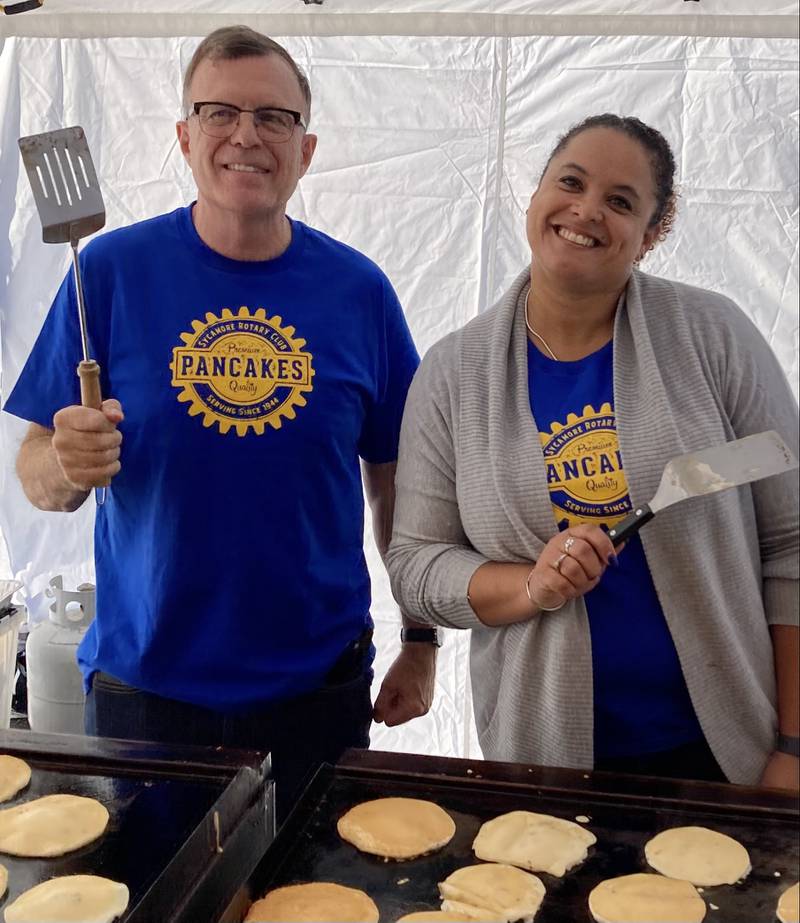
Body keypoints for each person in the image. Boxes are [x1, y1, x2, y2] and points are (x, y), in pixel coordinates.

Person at [6, 25, 438, 821]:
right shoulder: (105, 272)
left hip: (317, 690)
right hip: (148, 695)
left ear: (305, 150)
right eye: (219, 112)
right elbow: (35, 471)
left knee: (312, 904)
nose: (247, 134)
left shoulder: (358, 290)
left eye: (274, 118)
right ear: (184, 136)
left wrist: (421, 637)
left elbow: (399, 483)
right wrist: (67, 462)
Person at [386, 114, 799, 791]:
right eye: (570, 182)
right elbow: (417, 567)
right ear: (536, 193)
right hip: (543, 755)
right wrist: (530, 585)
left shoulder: (712, 335)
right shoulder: (453, 373)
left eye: (620, 201)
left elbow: (793, 541)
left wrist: (793, 743)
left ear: (652, 233)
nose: (585, 211)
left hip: (730, 753)